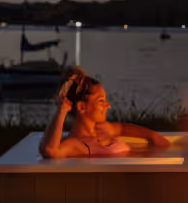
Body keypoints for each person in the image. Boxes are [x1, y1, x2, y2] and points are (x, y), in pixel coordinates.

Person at [39, 67, 171, 159]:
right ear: (82, 107)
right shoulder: (76, 144)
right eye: (101, 101)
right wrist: (61, 112)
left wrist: (153, 136)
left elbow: (122, 128)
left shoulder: (102, 129)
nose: (108, 106)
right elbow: (50, 150)